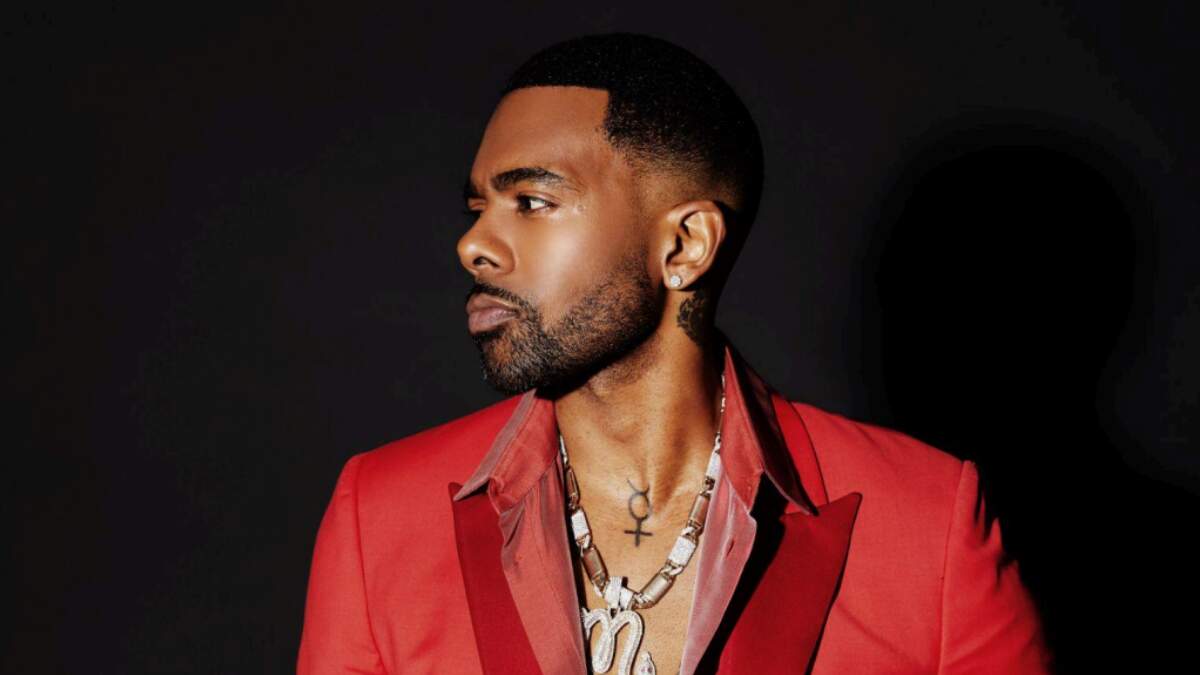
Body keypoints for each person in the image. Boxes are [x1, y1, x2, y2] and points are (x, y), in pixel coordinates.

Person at [297, 32, 1050, 675]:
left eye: (532, 202)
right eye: (478, 207)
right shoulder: (380, 517)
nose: (474, 245)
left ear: (686, 245)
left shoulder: (928, 526)